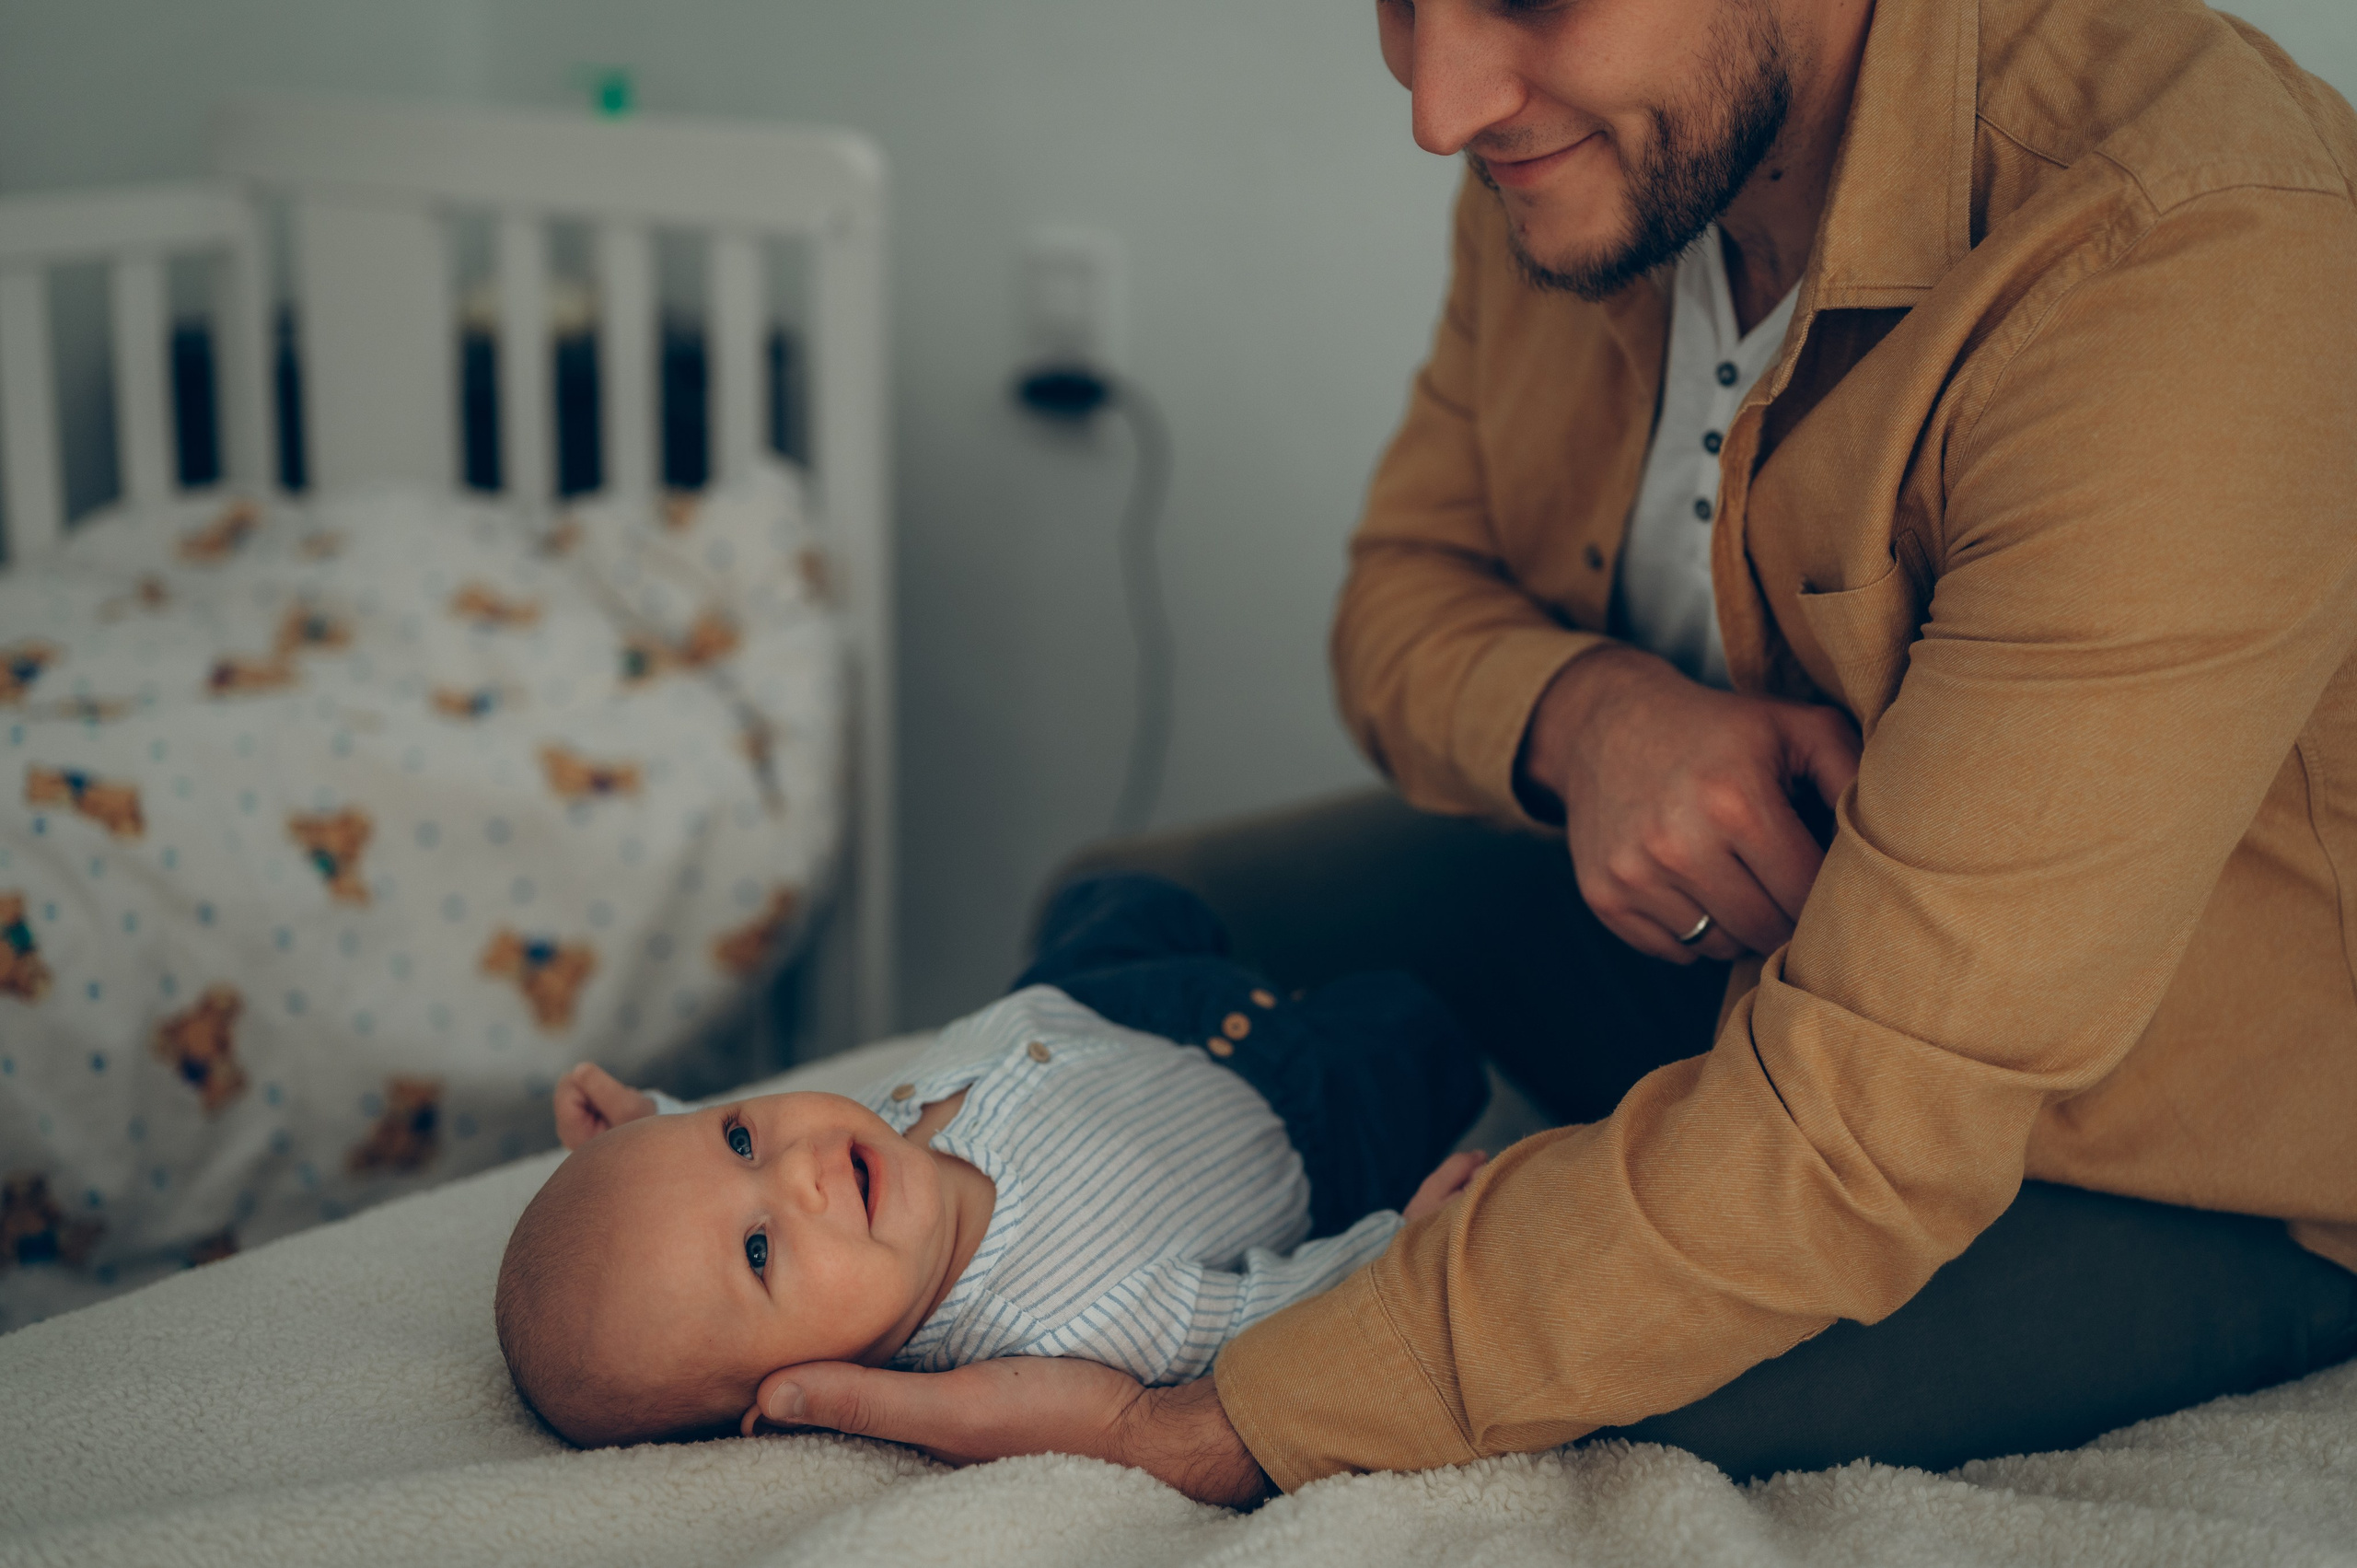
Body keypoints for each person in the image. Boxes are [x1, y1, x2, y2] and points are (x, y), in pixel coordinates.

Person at [735, 0, 2357, 1504]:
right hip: (1717, 957)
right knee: (1140, 907)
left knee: (1611, 1398)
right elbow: (1398, 603)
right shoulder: (1582, 152)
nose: (1441, 105)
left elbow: (1862, 1122)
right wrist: (1592, 720)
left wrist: (1207, 1419)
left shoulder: (2187, 261)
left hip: (2149, 1138)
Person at [493, 875, 1488, 1446]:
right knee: (1422, 1020)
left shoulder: (856, 1172)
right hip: (1304, 1103)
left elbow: (702, 1179)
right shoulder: (1076, 1322)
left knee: (1120, 891)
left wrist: (654, 1118)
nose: (797, 1168)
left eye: (742, 1137)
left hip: (1093, 997)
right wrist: (1401, 1240)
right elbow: (1279, 1309)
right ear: (800, 1385)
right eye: (759, 1252)